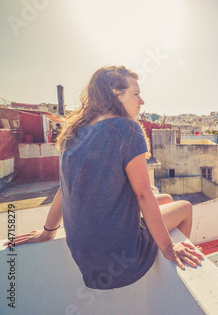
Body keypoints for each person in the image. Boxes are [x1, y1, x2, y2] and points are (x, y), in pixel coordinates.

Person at [5, 66, 203, 289]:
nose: (142, 101)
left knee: (166, 199)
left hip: (87, 259)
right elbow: (143, 194)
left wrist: (47, 232)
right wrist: (168, 247)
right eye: (136, 94)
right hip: (120, 259)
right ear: (115, 93)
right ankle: (173, 277)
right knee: (185, 207)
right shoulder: (127, 128)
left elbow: (65, 189)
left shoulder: (73, 131)